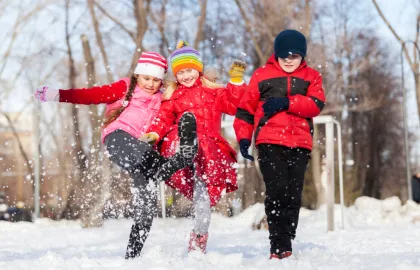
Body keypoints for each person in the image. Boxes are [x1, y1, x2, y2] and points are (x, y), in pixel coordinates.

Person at [34, 52, 198, 259]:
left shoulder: (163, 97)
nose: (150, 84)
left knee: (146, 207)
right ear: (138, 75)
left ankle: (132, 255)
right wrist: (57, 94)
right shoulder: (125, 88)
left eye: (156, 80)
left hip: (145, 152)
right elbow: (91, 95)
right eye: (147, 78)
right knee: (147, 157)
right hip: (118, 139)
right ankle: (171, 165)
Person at [141, 41, 247, 253]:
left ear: (198, 69)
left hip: (208, 151)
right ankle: (185, 147)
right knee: (179, 134)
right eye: (180, 72)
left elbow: (235, 105)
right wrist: (153, 133)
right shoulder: (173, 97)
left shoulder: (214, 93)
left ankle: (199, 237)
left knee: (203, 202)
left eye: (189, 70)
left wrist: (236, 81)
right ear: (175, 76)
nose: (185, 76)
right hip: (181, 147)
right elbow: (162, 119)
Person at [233, 29, 326, 260]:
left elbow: (316, 104)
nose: (288, 60)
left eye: (294, 56)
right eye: (284, 55)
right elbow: (245, 110)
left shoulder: (312, 77)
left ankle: (287, 235)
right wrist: (244, 138)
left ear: (302, 56)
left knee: (293, 194)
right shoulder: (261, 75)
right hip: (269, 140)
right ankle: (279, 245)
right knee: (277, 191)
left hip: (300, 143)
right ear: (277, 54)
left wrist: (287, 102)